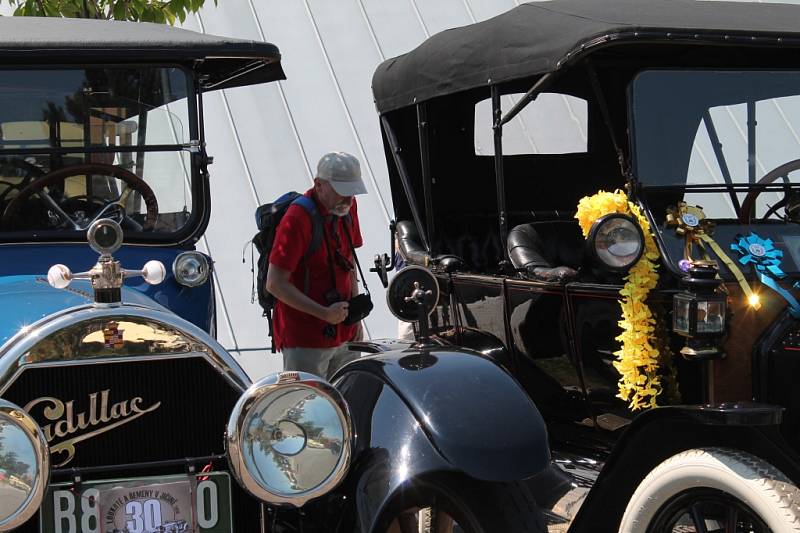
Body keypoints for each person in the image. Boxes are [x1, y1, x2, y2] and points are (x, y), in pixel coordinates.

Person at [266, 152, 367, 379]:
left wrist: (356, 318)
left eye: (353, 192)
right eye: (342, 192)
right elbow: (275, 284)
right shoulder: (298, 218)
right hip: (306, 338)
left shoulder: (348, 208)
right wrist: (323, 313)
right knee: (309, 406)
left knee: (345, 402)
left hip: (344, 331)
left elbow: (349, 261)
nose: (349, 200)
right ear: (319, 185)